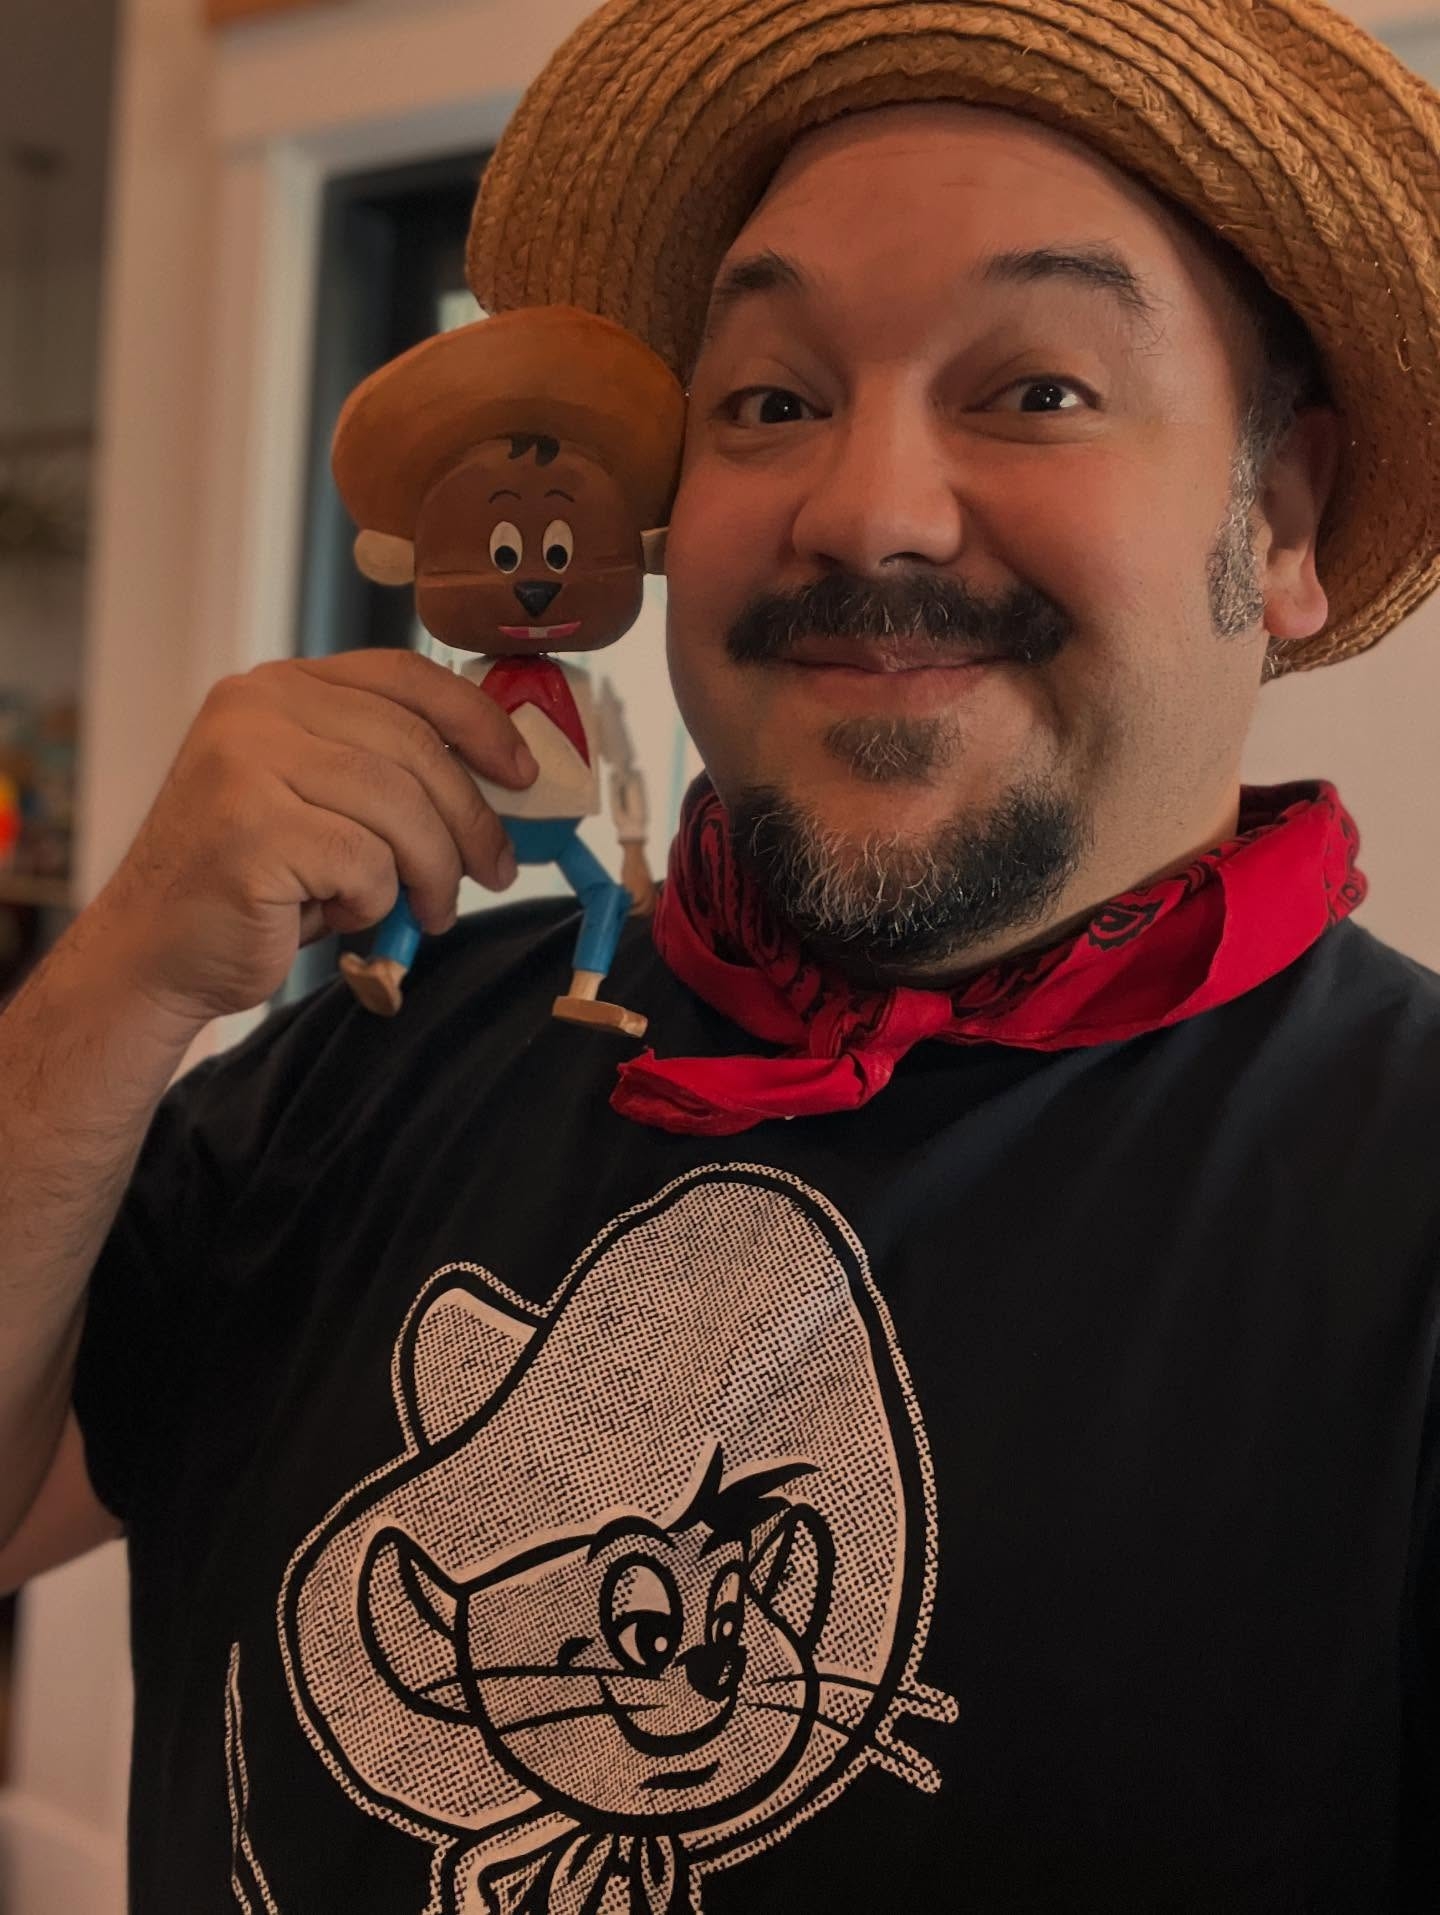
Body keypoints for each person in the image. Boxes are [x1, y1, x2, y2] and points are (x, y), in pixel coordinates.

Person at [2, 0, 1438, 1909]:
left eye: (1038, 390)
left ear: (1287, 515)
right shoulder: (382, 1045)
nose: (865, 509)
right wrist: (122, 979)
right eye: (769, 402)